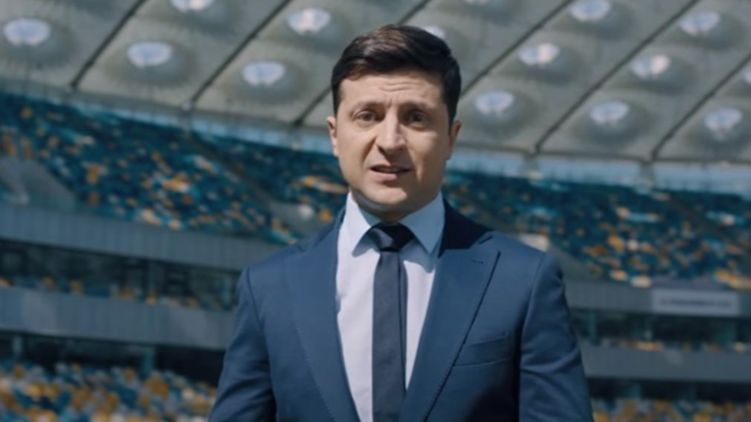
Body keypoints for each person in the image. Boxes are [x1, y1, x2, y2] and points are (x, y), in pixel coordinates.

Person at [210, 24, 592, 421]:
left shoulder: (523, 280)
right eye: (367, 116)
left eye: (416, 117)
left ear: (451, 138)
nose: (390, 141)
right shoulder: (268, 287)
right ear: (335, 135)